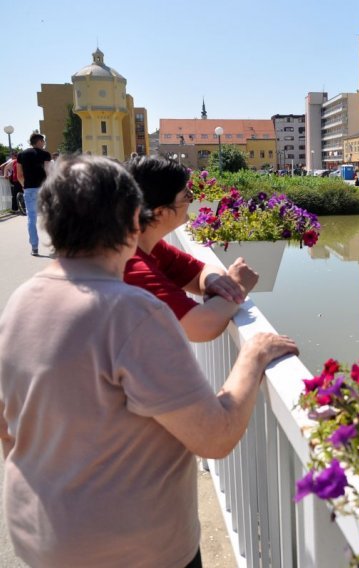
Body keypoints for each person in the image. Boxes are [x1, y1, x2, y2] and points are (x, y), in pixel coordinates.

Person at [0, 155, 299, 567]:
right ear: (134, 221)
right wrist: (254, 355)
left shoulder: (20, 301)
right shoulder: (135, 314)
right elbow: (215, 436)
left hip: (42, 539)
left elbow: (7, 426)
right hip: (132, 551)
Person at [125, 156, 258, 343]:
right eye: (186, 195)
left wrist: (214, 281)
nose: (192, 198)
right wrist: (238, 286)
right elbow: (200, 326)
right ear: (160, 212)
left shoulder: (143, 243)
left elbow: (201, 271)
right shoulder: (129, 265)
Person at [15, 133, 51, 255]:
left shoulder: (21, 155)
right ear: (39, 141)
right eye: (43, 141)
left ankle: (34, 247)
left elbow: (19, 175)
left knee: (31, 218)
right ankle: (56, 243)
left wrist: (25, 186)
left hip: (29, 189)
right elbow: (48, 172)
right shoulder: (46, 154)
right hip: (44, 189)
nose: (44, 143)